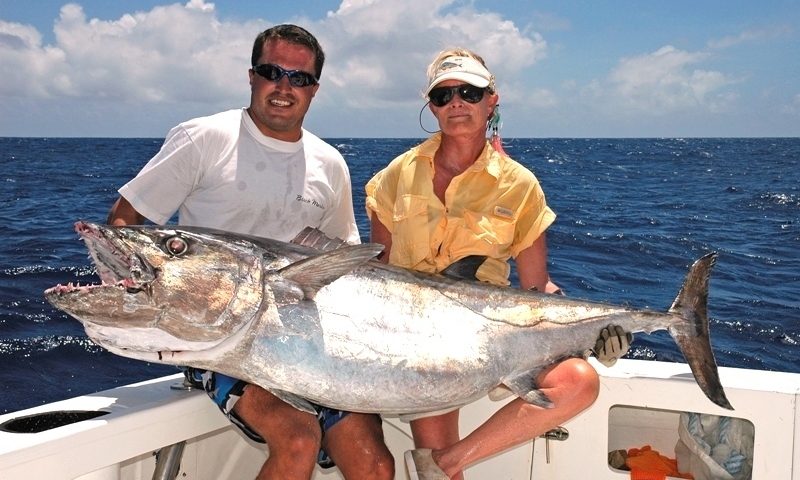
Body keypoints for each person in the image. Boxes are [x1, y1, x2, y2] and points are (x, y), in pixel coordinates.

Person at [107, 24, 394, 480]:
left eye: (299, 78)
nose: (284, 87)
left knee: (376, 465)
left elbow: (344, 261)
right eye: (271, 72)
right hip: (220, 342)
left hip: (307, 340)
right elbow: (125, 222)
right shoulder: (203, 138)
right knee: (298, 439)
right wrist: (142, 303)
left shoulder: (330, 163)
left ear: (314, 89)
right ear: (252, 76)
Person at [365, 48, 631, 480]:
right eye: (443, 95)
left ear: (492, 100)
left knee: (579, 381)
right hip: (418, 340)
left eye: (469, 92)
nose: (456, 103)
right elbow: (379, 276)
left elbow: (535, 289)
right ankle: (441, 465)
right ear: (431, 107)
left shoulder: (520, 185)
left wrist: (589, 335)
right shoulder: (396, 175)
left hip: (496, 333)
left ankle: (446, 462)